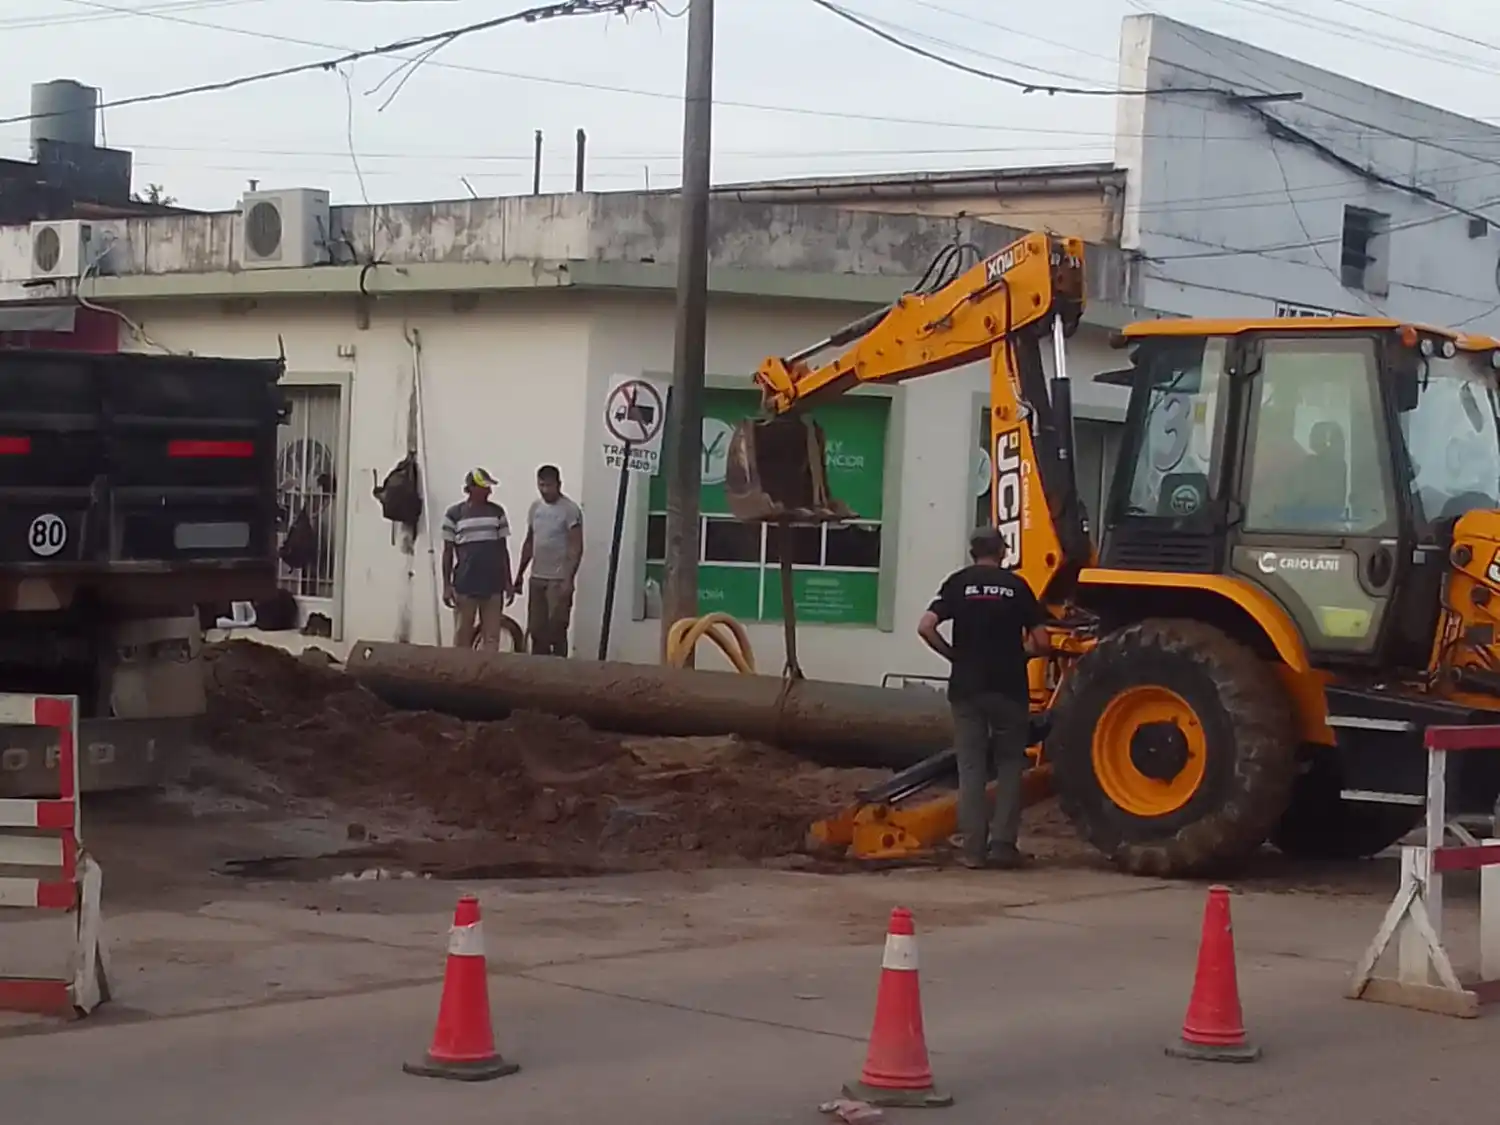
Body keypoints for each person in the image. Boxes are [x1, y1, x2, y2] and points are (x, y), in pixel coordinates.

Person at [917, 527, 1050, 870]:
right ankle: (1003, 846)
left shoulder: (958, 583)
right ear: (1002, 551)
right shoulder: (1017, 587)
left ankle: (973, 850)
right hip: (1009, 689)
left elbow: (926, 626)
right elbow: (1042, 641)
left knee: (971, 768)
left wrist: (953, 656)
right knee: (1009, 767)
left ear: (973, 551)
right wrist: (1020, 657)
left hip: (967, 688)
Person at [514, 464, 584, 656]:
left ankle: (559, 670)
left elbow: (576, 545)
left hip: (558, 579)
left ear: (558, 484)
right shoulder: (535, 508)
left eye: (549, 486)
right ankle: (538, 671)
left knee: (557, 628)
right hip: (537, 576)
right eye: (541, 485)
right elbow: (529, 541)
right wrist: (520, 573)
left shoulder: (570, 510)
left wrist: (568, 578)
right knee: (536, 629)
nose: (545, 490)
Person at [440, 468, 513, 651]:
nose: (489, 491)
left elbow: (502, 549)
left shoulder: (497, 512)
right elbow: (447, 552)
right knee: (462, 636)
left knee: (491, 638)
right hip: (465, 585)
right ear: (471, 489)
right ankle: (460, 675)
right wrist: (447, 586)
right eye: (484, 487)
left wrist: (508, 582)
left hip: (493, 585)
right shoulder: (454, 514)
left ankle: (487, 676)